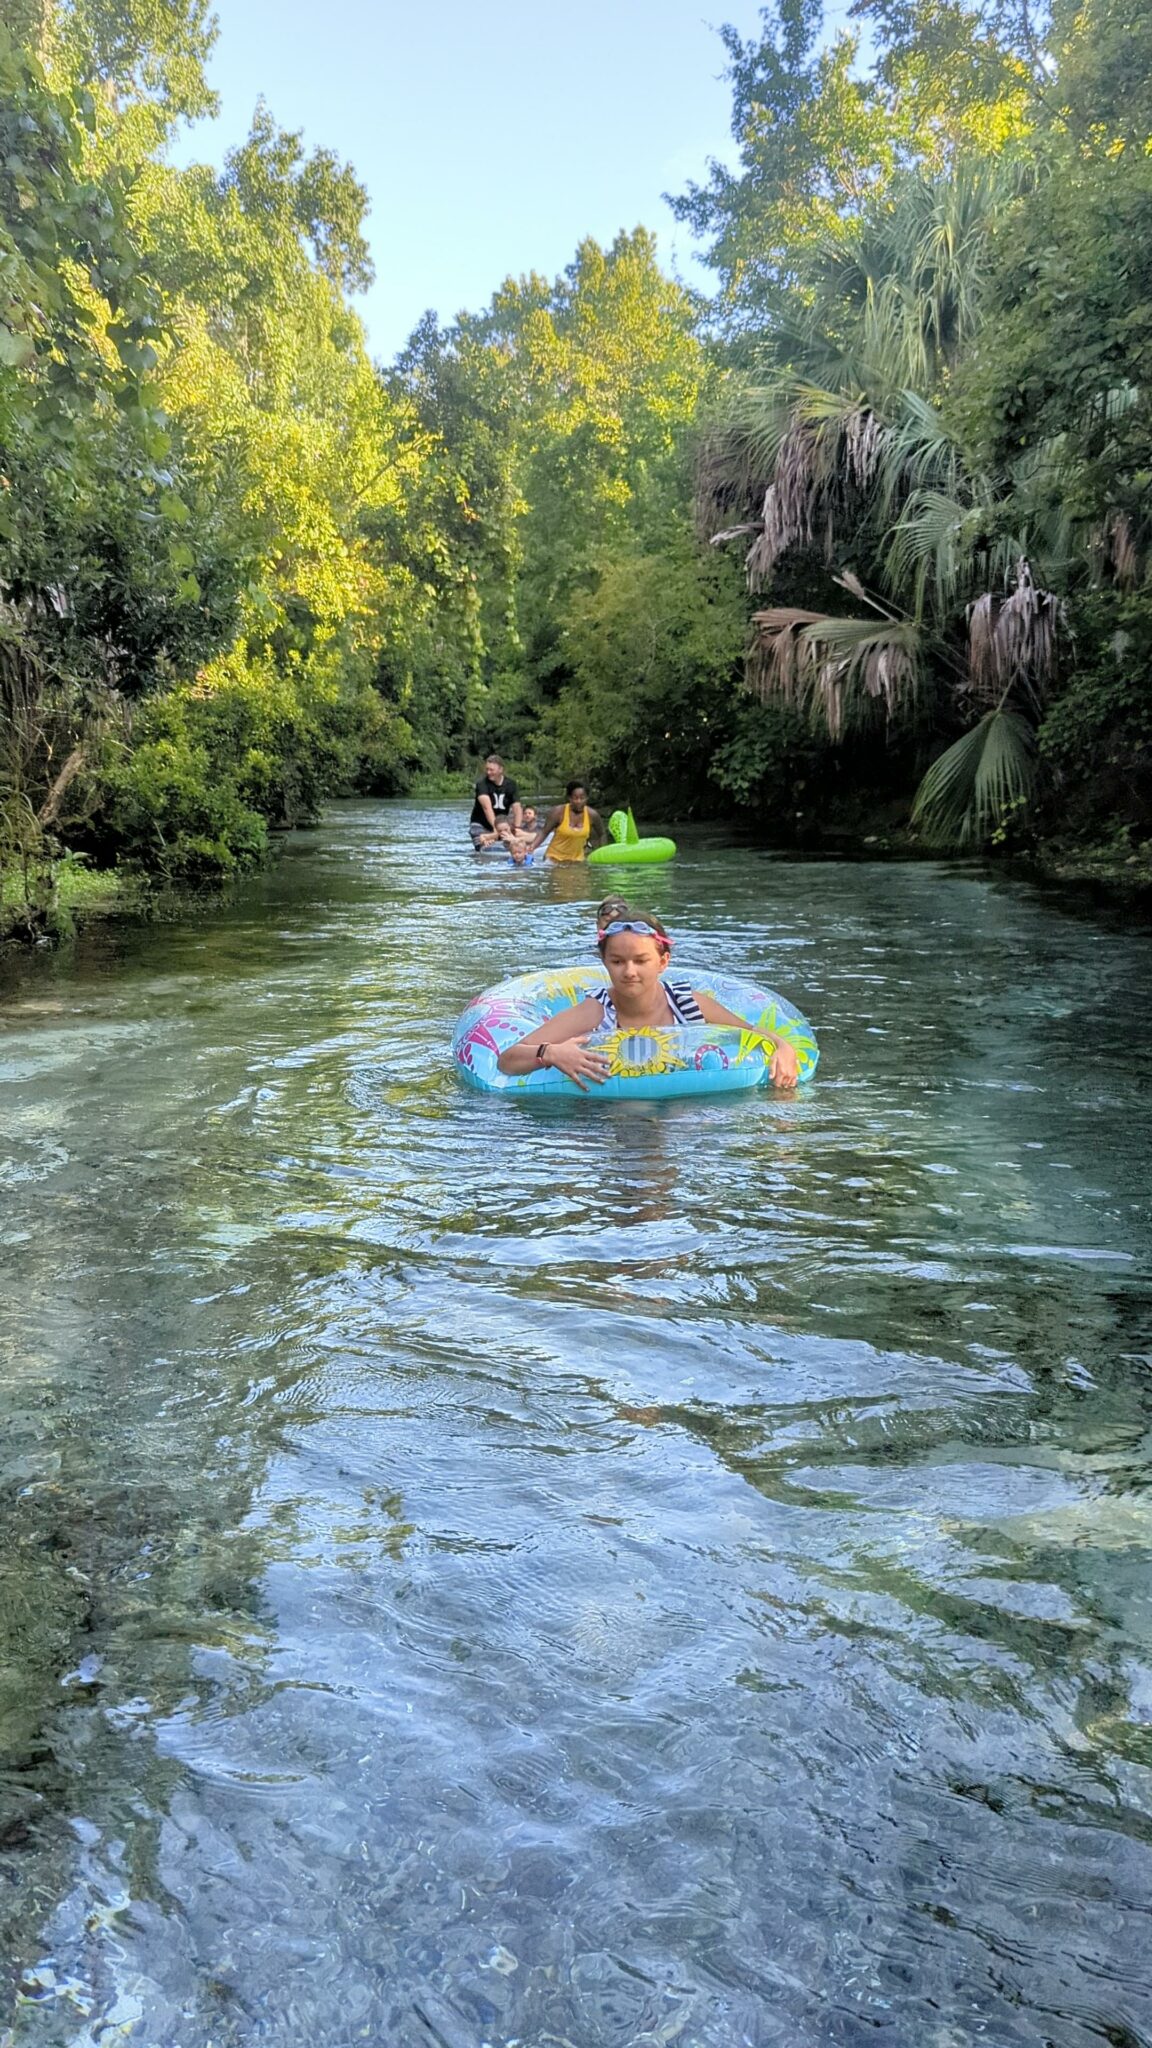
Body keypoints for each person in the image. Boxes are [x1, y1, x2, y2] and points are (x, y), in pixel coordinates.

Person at [497, 911, 802, 1091]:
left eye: (641, 960)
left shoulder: (690, 1004)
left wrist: (783, 1046)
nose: (629, 971)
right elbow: (508, 1059)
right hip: (608, 1123)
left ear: (663, 962)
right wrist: (551, 1053)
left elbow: (753, 1033)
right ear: (604, 962)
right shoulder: (595, 1011)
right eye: (617, 961)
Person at [527, 781, 607, 863]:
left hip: (577, 860)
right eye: (575, 798)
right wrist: (532, 846)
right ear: (569, 798)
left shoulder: (592, 815)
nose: (579, 801)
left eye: (582, 798)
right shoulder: (558, 812)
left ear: (587, 798)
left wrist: (602, 853)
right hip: (554, 858)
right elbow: (544, 832)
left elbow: (602, 834)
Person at [469, 754, 522, 849]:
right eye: (487, 769)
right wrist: (495, 829)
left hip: (501, 826)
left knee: (515, 842)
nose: (488, 772)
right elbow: (487, 808)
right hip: (481, 825)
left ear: (500, 770)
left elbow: (517, 808)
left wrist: (517, 828)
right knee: (487, 845)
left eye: (491, 770)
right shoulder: (482, 784)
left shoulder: (511, 785)